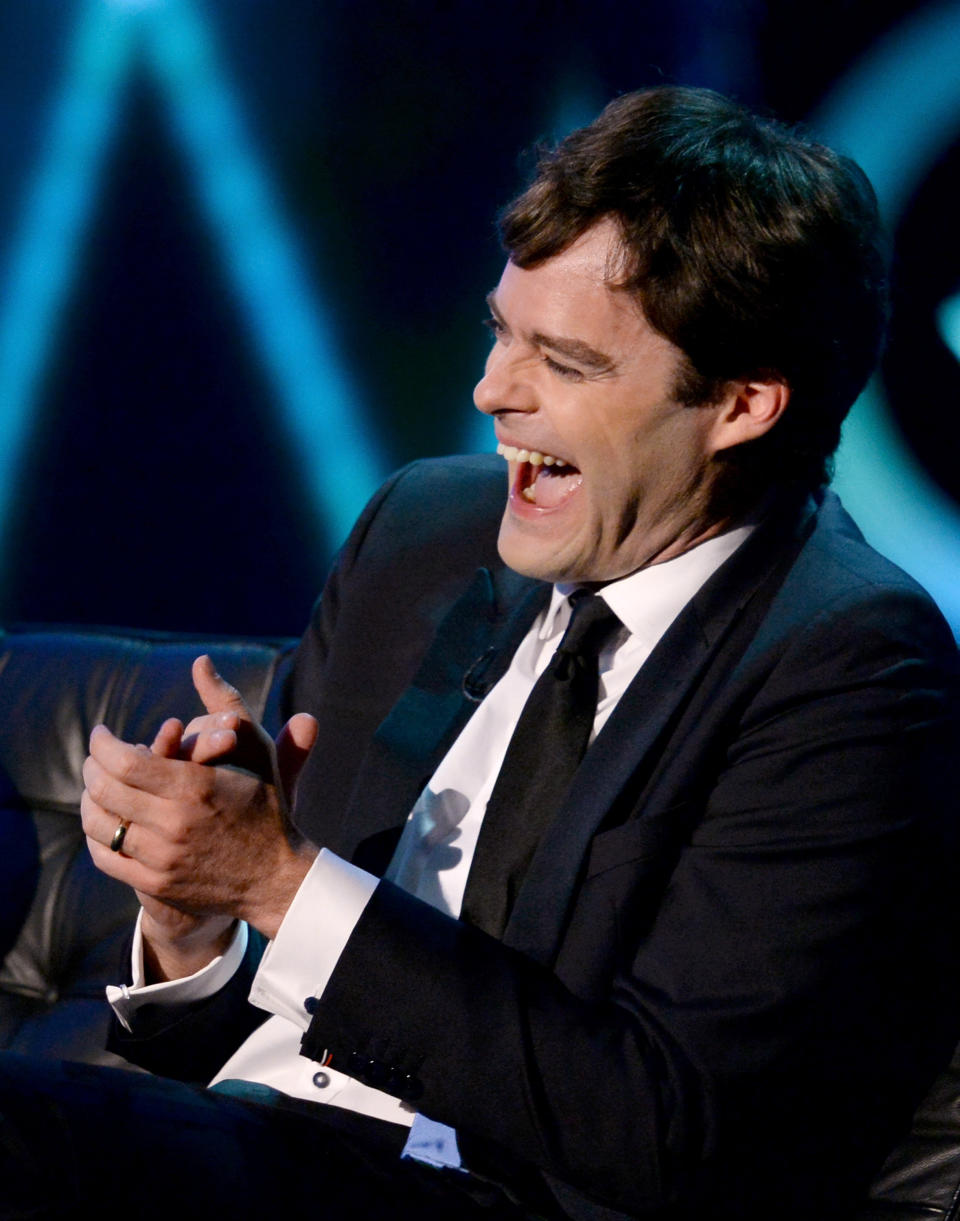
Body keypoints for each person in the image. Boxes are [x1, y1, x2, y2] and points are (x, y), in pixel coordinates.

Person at [3, 86, 959, 1221]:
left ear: (742, 404)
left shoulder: (847, 662)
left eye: (564, 360)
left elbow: (664, 1128)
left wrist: (275, 878)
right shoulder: (425, 533)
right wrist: (193, 917)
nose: (491, 392)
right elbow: (241, 1026)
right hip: (239, 1148)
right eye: (503, 331)